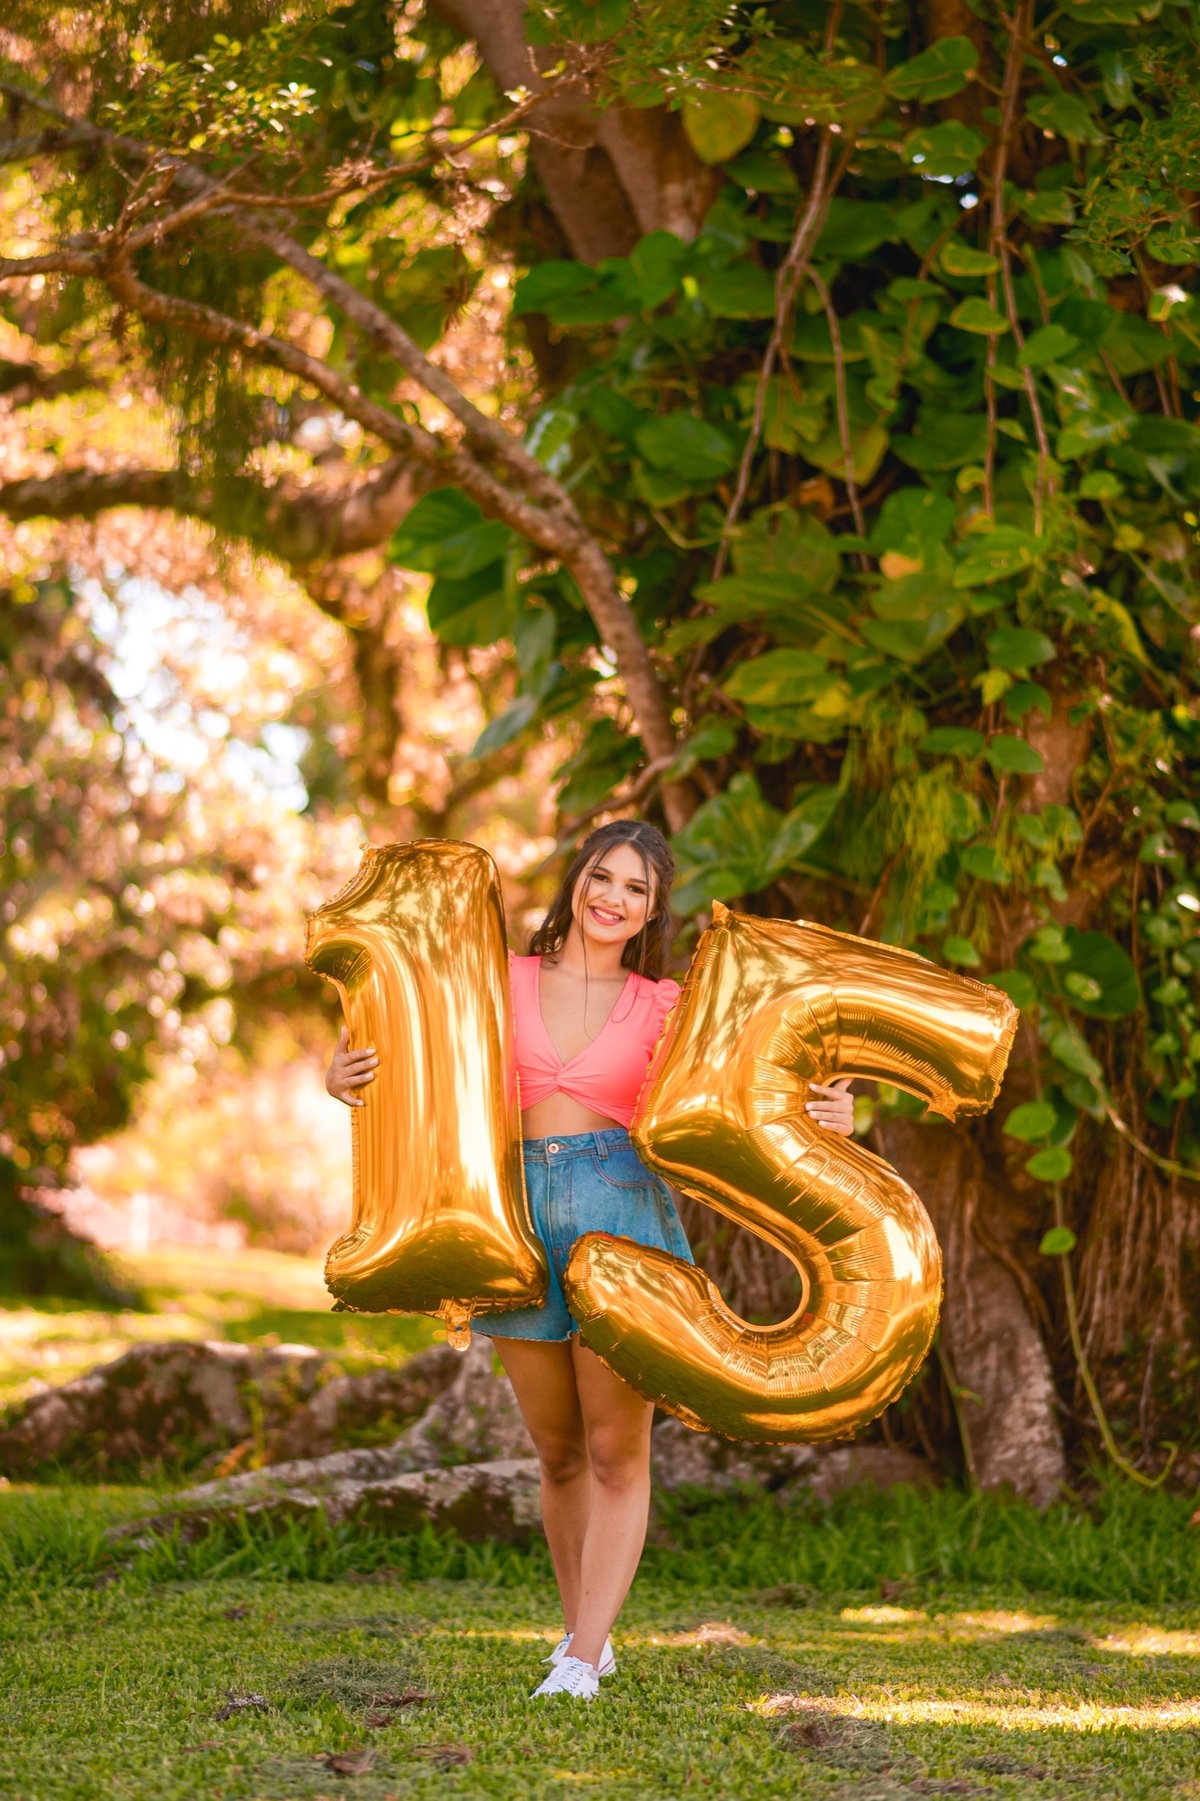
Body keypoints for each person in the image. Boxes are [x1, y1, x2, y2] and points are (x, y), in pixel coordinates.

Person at [325, 820, 854, 1700]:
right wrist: (341, 1075)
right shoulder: (498, 978)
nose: (613, 897)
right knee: (558, 1449)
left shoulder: (666, 1005)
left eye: (635, 888)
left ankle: (580, 1660)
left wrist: (824, 1112)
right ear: (577, 880)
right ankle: (583, 1639)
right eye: (603, 876)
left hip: (622, 1212)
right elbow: (411, 1051)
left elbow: (749, 1086)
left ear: (652, 911)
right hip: (514, 1218)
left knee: (616, 1448)